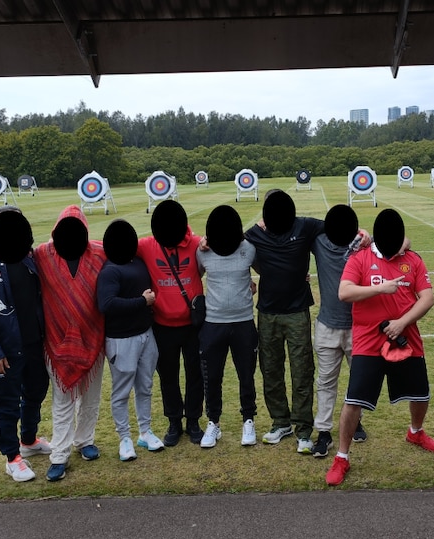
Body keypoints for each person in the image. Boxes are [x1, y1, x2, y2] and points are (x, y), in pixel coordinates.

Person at [326, 208, 434, 486]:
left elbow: (427, 298)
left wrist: (402, 322)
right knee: (354, 400)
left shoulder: (412, 259)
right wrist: (380, 288)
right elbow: (345, 292)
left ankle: (415, 431)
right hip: (368, 341)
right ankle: (342, 456)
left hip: (406, 336)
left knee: (421, 393)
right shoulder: (360, 258)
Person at [0, 207, 50, 483]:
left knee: (37, 391)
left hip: (34, 344)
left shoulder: (30, 260)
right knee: (6, 404)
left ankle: (29, 440)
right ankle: (12, 456)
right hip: (5, 351)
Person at [245, 190, 323, 454]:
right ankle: (281, 422)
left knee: (302, 371)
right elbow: (228, 248)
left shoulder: (305, 226)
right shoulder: (254, 234)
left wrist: (362, 232)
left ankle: (303, 429)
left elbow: (338, 229)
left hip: (297, 311)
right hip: (267, 313)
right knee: (271, 370)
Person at [34, 205, 106, 481]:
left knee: (91, 397)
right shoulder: (43, 255)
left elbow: (132, 251)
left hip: (93, 338)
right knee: (63, 401)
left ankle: (84, 440)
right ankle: (59, 454)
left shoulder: (100, 253)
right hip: (57, 341)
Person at [137, 199, 205, 446]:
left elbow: (227, 240)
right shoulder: (146, 245)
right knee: (168, 376)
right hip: (163, 325)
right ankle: (174, 421)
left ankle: (194, 420)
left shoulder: (197, 243)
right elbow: (114, 247)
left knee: (195, 374)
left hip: (193, 324)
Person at [97, 219, 162, 461]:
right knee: (122, 391)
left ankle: (145, 432)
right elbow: (107, 304)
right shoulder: (110, 271)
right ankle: (124, 438)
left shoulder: (138, 262)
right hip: (121, 340)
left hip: (146, 335)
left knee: (145, 387)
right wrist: (141, 302)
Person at [196, 204, 259, 448]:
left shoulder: (249, 249)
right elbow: (194, 278)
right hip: (213, 324)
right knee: (212, 376)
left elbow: (269, 270)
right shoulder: (204, 251)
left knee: (246, 375)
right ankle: (213, 422)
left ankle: (249, 420)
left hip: (244, 322)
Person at [310, 204, 370, 458]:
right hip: (327, 326)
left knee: (357, 383)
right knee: (325, 382)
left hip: (357, 327)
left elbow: (402, 242)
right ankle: (323, 432)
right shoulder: (318, 241)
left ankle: (355, 421)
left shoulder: (363, 243)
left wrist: (366, 235)